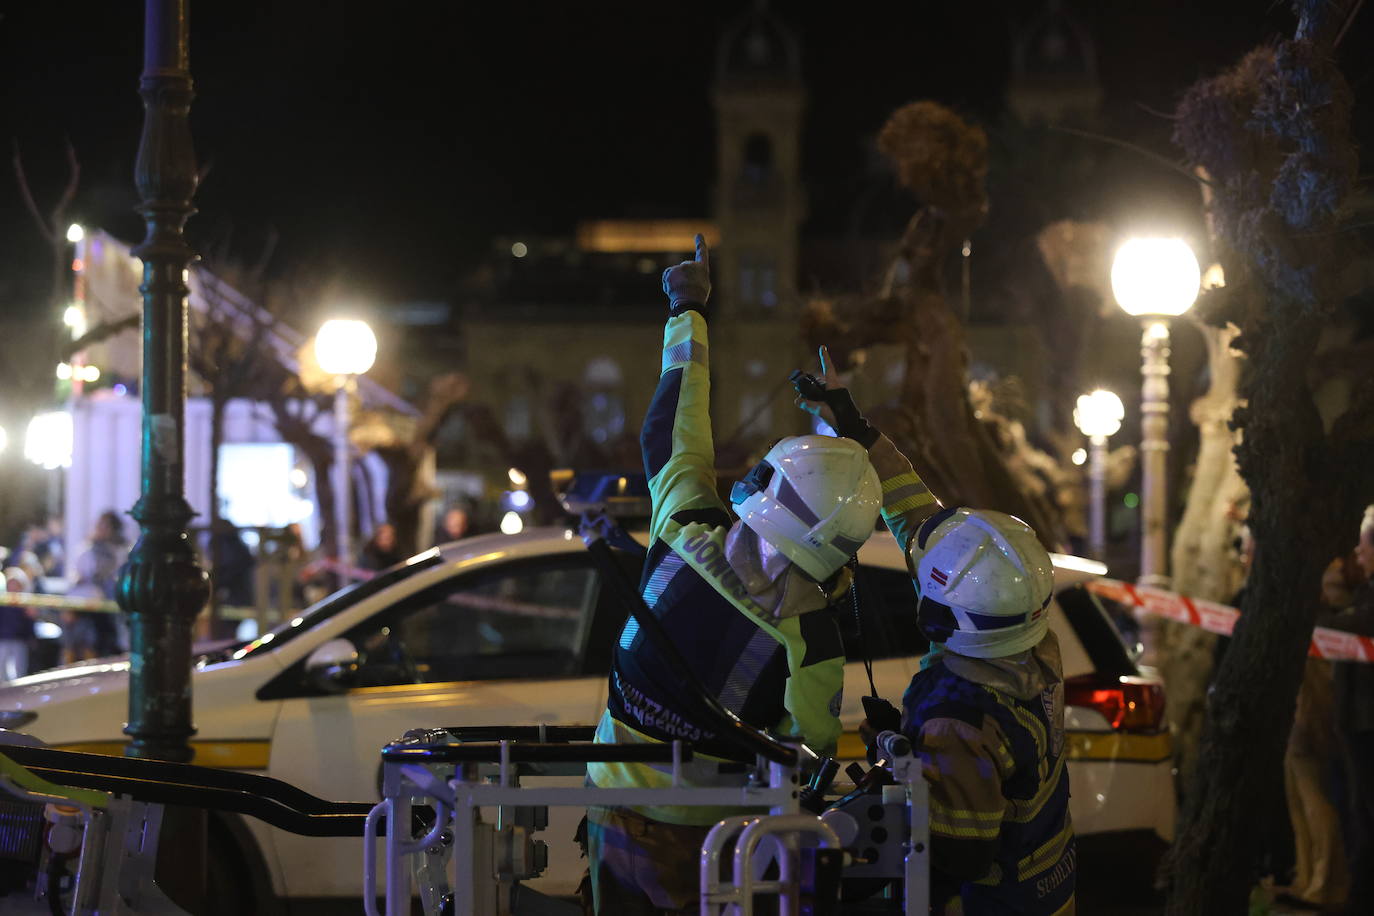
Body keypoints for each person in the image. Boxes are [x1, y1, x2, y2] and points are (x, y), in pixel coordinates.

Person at [584, 236, 883, 915]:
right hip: (717, 853)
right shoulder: (814, 644)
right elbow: (808, 760)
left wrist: (687, 308)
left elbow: (675, 423)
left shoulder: (684, 530)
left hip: (613, 816)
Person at [794, 348, 1075, 915]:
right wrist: (853, 426)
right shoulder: (1032, 644)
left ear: (946, 616)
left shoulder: (959, 717)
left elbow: (956, 851)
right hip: (1052, 888)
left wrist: (906, 769)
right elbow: (916, 515)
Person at [1319, 506, 1374, 916]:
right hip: (1355, 717)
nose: (1358, 553)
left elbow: (1358, 626)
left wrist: (1319, 623)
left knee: (1365, 809)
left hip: (1365, 719)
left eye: (1365, 546)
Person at [65, 510, 129, 661]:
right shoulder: (87, 549)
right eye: (100, 525)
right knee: (84, 645)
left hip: (112, 607)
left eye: (106, 526)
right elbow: (77, 575)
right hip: (87, 606)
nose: (101, 529)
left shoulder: (121, 551)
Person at [0, 567, 37, 681]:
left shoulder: (25, 602)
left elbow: (30, 623)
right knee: (2, 668)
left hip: (19, 640)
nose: (13, 587)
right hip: (4, 639)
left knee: (19, 670)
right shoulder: (3, 601)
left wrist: (31, 637)